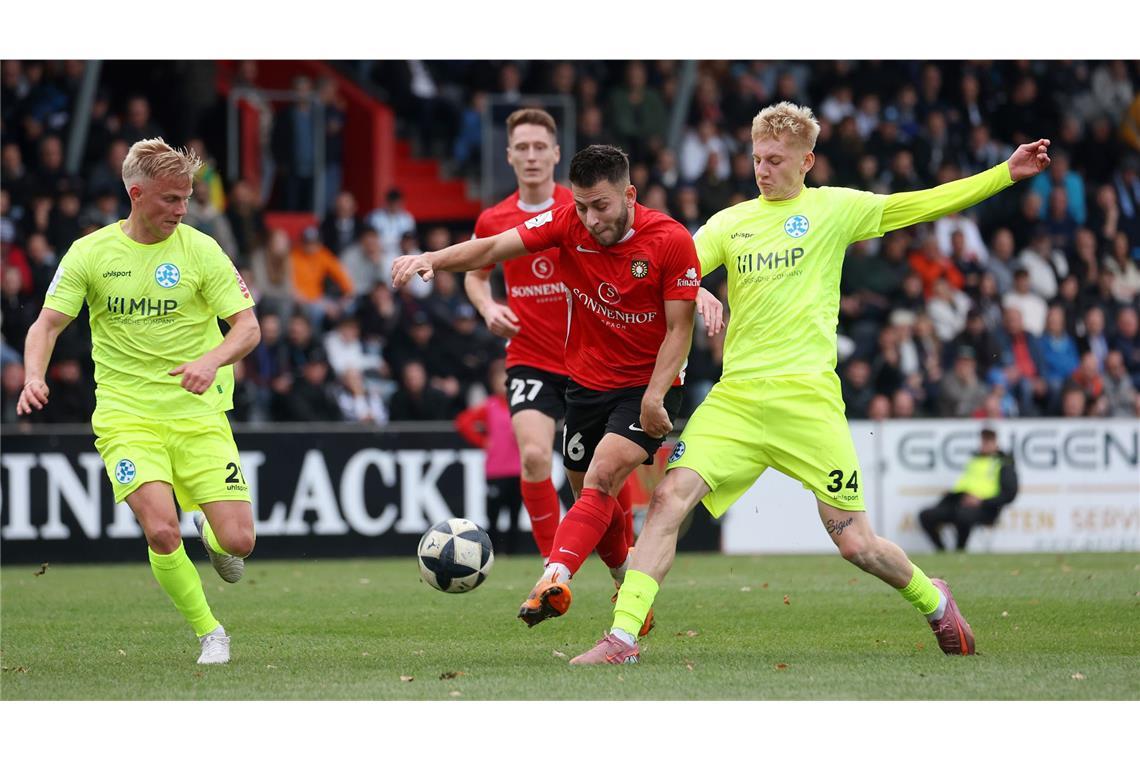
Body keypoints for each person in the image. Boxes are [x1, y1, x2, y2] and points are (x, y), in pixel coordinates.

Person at [570, 102, 1052, 665]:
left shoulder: (834, 209)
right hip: (738, 401)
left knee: (857, 545)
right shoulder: (730, 222)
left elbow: (917, 206)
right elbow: (668, 269)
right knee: (668, 501)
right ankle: (622, 638)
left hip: (808, 402)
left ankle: (934, 599)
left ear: (807, 161)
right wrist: (694, 287)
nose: (762, 169)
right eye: (756, 158)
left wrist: (1003, 174)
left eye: (775, 160)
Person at [393, 145, 720, 633]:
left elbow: (679, 330)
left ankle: (552, 577)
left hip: (645, 388)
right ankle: (624, 578)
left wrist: (655, 398)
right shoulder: (567, 222)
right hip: (585, 385)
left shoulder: (670, 240)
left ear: (629, 194)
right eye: (582, 206)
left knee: (601, 478)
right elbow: (489, 248)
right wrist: (432, 259)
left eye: (601, 206)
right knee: (590, 493)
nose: (589, 218)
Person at [16, 138, 261, 665]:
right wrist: (33, 375)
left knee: (239, 541)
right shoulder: (90, 253)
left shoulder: (201, 249)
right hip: (127, 416)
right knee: (161, 528)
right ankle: (210, 632)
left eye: (186, 199)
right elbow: (47, 324)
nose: (181, 210)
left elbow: (248, 327)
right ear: (136, 193)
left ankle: (214, 536)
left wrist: (211, 360)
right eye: (171, 199)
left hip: (197, 411)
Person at [462, 108, 574, 562]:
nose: (531, 156)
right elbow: (474, 275)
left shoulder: (577, 206)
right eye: (522, 148)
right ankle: (554, 569)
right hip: (529, 355)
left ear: (556, 153)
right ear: (509, 156)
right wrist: (489, 306)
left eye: (539, 147)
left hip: (587, 357)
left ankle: (620, 563)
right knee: (533, 457)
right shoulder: (494, 219)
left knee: (594, 473)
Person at [455, 359, 523, 555]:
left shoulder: (518, 406)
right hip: (496, 470)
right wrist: (483, 441)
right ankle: (491, 552)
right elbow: (463, 422)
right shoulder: (490, 406)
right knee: (493, 515)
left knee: (514, 515)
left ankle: (512, 553)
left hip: (517, 469)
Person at [918, 429, 1018, 551]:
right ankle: (941, 550)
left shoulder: (1004, 464)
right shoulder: (974, 460)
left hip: (986, 507)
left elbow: (1010, 494)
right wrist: (951, 495)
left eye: (988, 441)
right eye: (983, 440)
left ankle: (960, 550)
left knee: (963, 515)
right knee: (926, 515)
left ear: (997, 443)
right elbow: (966, 484)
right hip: (960, 502)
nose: (984, 444)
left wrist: (981, 501)